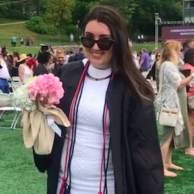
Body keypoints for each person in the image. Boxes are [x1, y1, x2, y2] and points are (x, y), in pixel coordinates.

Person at [33, 6, 164, 194]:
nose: (95, 47)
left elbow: (146, 156)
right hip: (63, 187)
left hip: (108, 188)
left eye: (104, 41)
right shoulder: (66, 74)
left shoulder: (133, 87)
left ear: (117, 42)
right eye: (88, 39)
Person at [155, 40, 192, 178]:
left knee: (170, 137)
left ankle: (168, 162)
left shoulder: (168, 64)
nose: (181, 52)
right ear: (173, 51)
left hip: (170, 104)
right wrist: (192, 75)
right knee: (167, 137)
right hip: (170, 105)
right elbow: (179, 84)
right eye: (179, 49)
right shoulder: (168, 65)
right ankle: (161, 166)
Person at [182, 48, 194, 156]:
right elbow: (187, 85)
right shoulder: (188, 68)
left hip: (190, 98)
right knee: (190, 125)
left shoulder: (189, 67)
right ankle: (188, 148)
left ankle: (190, 147)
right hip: (191, 99)